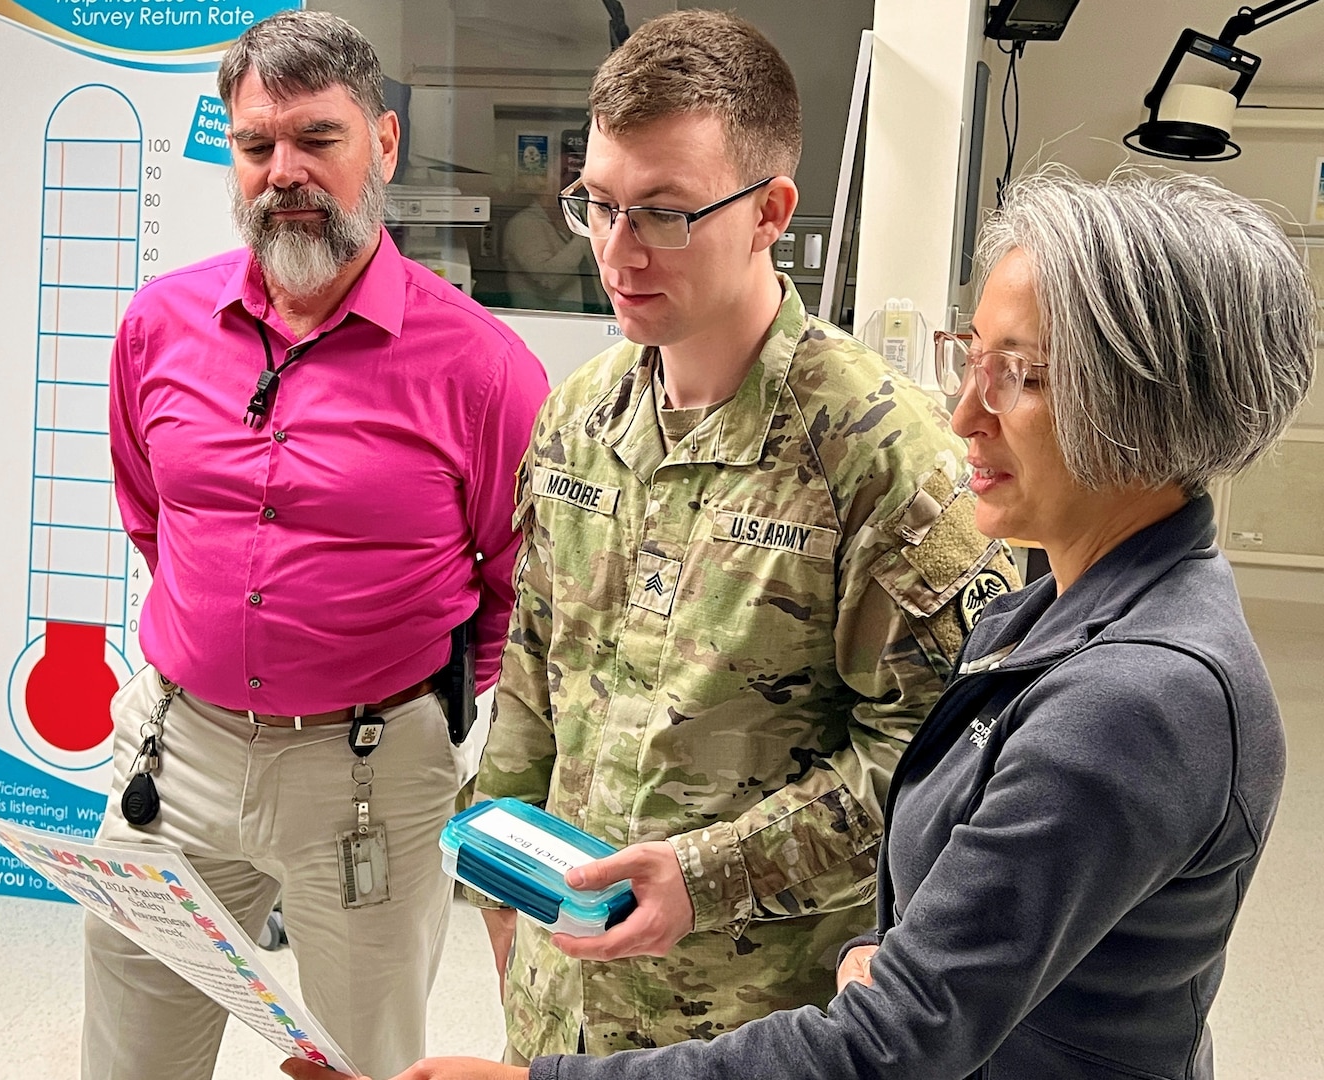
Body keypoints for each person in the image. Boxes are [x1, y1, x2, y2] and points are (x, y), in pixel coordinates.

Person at [283, 168, 1316, 1080]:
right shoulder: (1058, 611)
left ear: (1149, 405)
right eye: (975, 358)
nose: (965, 415)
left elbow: (897, 1043)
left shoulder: (1136, 698)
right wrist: (894, 942)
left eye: (1026, 376)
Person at [465, 9, 1015, 1065]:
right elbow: (538, 672)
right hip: (563, 993)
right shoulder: (580, 418)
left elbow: (938, 765)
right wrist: (496, 881)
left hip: (756, 1023)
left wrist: (710, 875)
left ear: (770, 212)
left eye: (666, 214)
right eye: (600, 205)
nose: (619, 252)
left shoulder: (884, 456)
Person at [83, 10, 548, 1080]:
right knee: (131, 1055)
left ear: (382, 144)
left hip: (370, 772)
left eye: (317, 139)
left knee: (365, 1065)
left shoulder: (480, 367)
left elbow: (516, 586)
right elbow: (152, 514)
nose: (283, 172)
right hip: (174, 755)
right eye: (257, 146)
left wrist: (397, 702)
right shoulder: (159, 327)